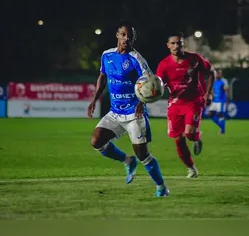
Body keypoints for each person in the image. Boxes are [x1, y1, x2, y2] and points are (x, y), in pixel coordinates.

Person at [87, 21, 169, 197]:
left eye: (130, 36)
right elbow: (102, 76)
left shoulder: (136, 59)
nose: (126, 39)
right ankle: (127, 160)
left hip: (134, 113)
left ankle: (162, 187)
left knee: (143, 155)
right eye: (123, 35)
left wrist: (142, 101)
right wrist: (95, 99)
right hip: (115, 112)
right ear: (117, 35)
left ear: (133, 39)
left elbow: (151, 83)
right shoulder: (106, 55)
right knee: (96, 141)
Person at [156, 31, 215, 178]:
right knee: (178, 140)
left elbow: (211, 72)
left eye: (179, 43)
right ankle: (191, 168)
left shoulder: (194, 59)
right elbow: (157, 84)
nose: (176, 46)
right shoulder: (163, 65)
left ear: (183, 44)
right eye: (173, 43)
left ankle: (196, 137)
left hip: (194, 101)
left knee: (188, 133)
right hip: (175, 105)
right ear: (168, 46)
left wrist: (208, 93)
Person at [206, 69, 229, 134]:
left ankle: (222, 130)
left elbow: (226, 91)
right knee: (210, 114)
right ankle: (222, 128)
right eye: (218, 73)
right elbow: (212, 90)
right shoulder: (214, 81)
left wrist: (227, 101)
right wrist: (210, 98)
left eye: (220, 73)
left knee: (220, 115)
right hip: (214, 101)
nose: (219, 74)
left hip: (221, 101)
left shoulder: (224, 81)